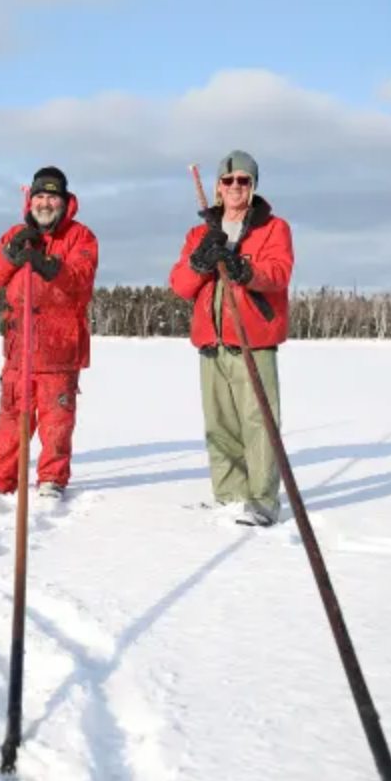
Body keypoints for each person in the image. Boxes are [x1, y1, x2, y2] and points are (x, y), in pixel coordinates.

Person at [167, 150, 295, 526]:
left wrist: (243, 268)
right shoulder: (199, 234)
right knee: (219, 423)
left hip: (253, 339)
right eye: (229, 180)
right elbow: (180, 285)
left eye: (244, 180)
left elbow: (278, 273)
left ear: (253, 186)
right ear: (217, 188)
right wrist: (200, 263)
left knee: (259, 422)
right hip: (212, 341)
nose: (236, 186)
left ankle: (262, 500)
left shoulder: (273, 228)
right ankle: (229, 495)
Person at [0, 166, 99, 500]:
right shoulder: (16, 232)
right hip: (18, 347)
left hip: (60, 347)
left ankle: (52, 479)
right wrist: (10, 253)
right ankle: (0, 479)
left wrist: (49, 266)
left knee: (57, 420)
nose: (45, 203)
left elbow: (81, 279)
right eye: (40, 196)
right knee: (11, 417)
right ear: (30, 201)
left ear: (64, 201)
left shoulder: (80, 237)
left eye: (52, 196)